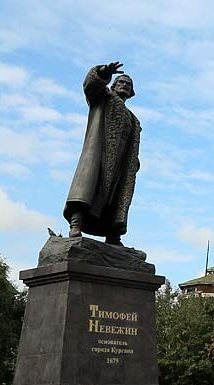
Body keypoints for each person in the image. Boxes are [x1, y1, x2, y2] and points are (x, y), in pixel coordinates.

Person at [64, 61, 141, 246]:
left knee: (116, 195)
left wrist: (133, 161)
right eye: (121, 82)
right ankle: (76, 224)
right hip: (100, 152)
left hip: (122, 161)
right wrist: (104, 72)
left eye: (128, 84)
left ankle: (113, 235)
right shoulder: (103, 98)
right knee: (90, 187)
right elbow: (90, 85)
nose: (125, 85)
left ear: (132, 92)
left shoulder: (133, 119)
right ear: (113, 85)